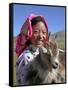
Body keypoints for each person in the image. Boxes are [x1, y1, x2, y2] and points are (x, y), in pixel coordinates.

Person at [15, 14, 49, 85]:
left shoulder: (44, 52)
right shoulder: (26, 57)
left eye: (44, 32)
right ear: (29, 33)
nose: (41, 36)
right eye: (36, 32)